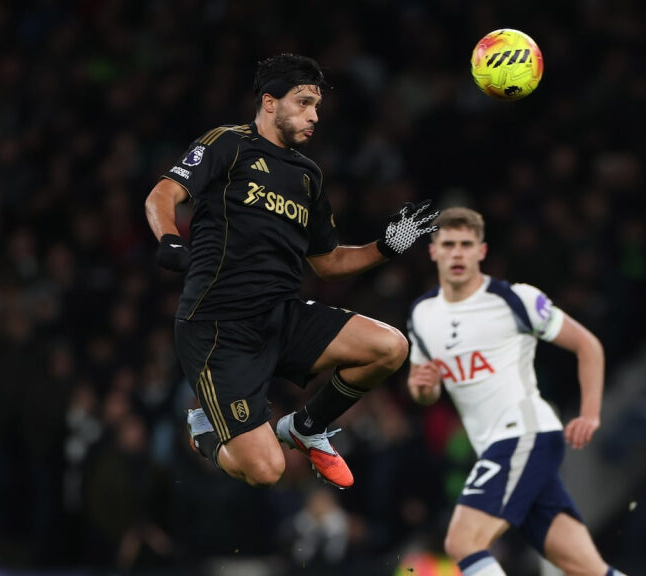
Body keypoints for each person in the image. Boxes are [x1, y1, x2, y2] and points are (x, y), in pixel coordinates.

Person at [144, 54, 438, 490]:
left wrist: (386, 248)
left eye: (316, 106)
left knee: (390, 347)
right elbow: (161, 195)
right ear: (269, 102)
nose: (314, 116)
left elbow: (329, 262)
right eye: (303, 102)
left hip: (281, 316)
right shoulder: (228, 142)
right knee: (266, 471)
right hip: (219, 327)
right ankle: (205, 432)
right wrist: (169, 239)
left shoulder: (308, 176)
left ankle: (305, 426)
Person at [406, 207, 624, 576]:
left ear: (482, 251)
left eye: (466, 244)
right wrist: (423, 388)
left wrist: (590, 413)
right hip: (496, 447)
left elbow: (587, 345)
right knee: (587, 568)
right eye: (449, 245)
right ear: (433, 251)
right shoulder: (422, 314)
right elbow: (420, 388)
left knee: (462, 542)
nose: (457, 253)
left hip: (525, 435)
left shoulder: (515, 299)